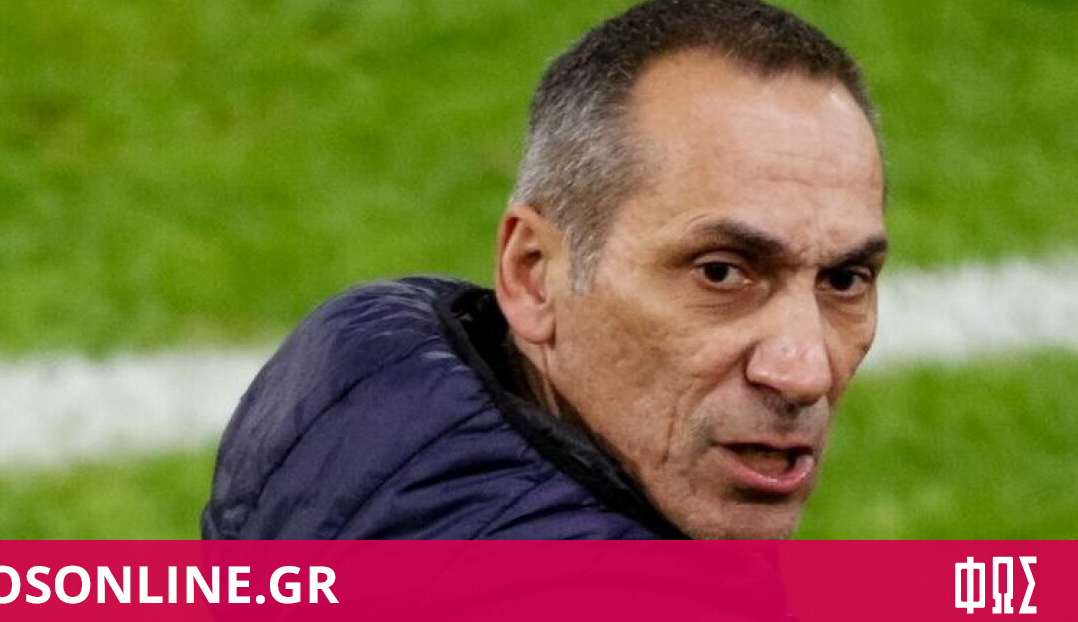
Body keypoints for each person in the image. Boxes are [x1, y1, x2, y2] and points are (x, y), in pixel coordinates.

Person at [202, 0, 886, 540]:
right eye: (720, 274)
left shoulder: (366, 379)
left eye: (845, 281)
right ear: (532, 274)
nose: (804, 372)